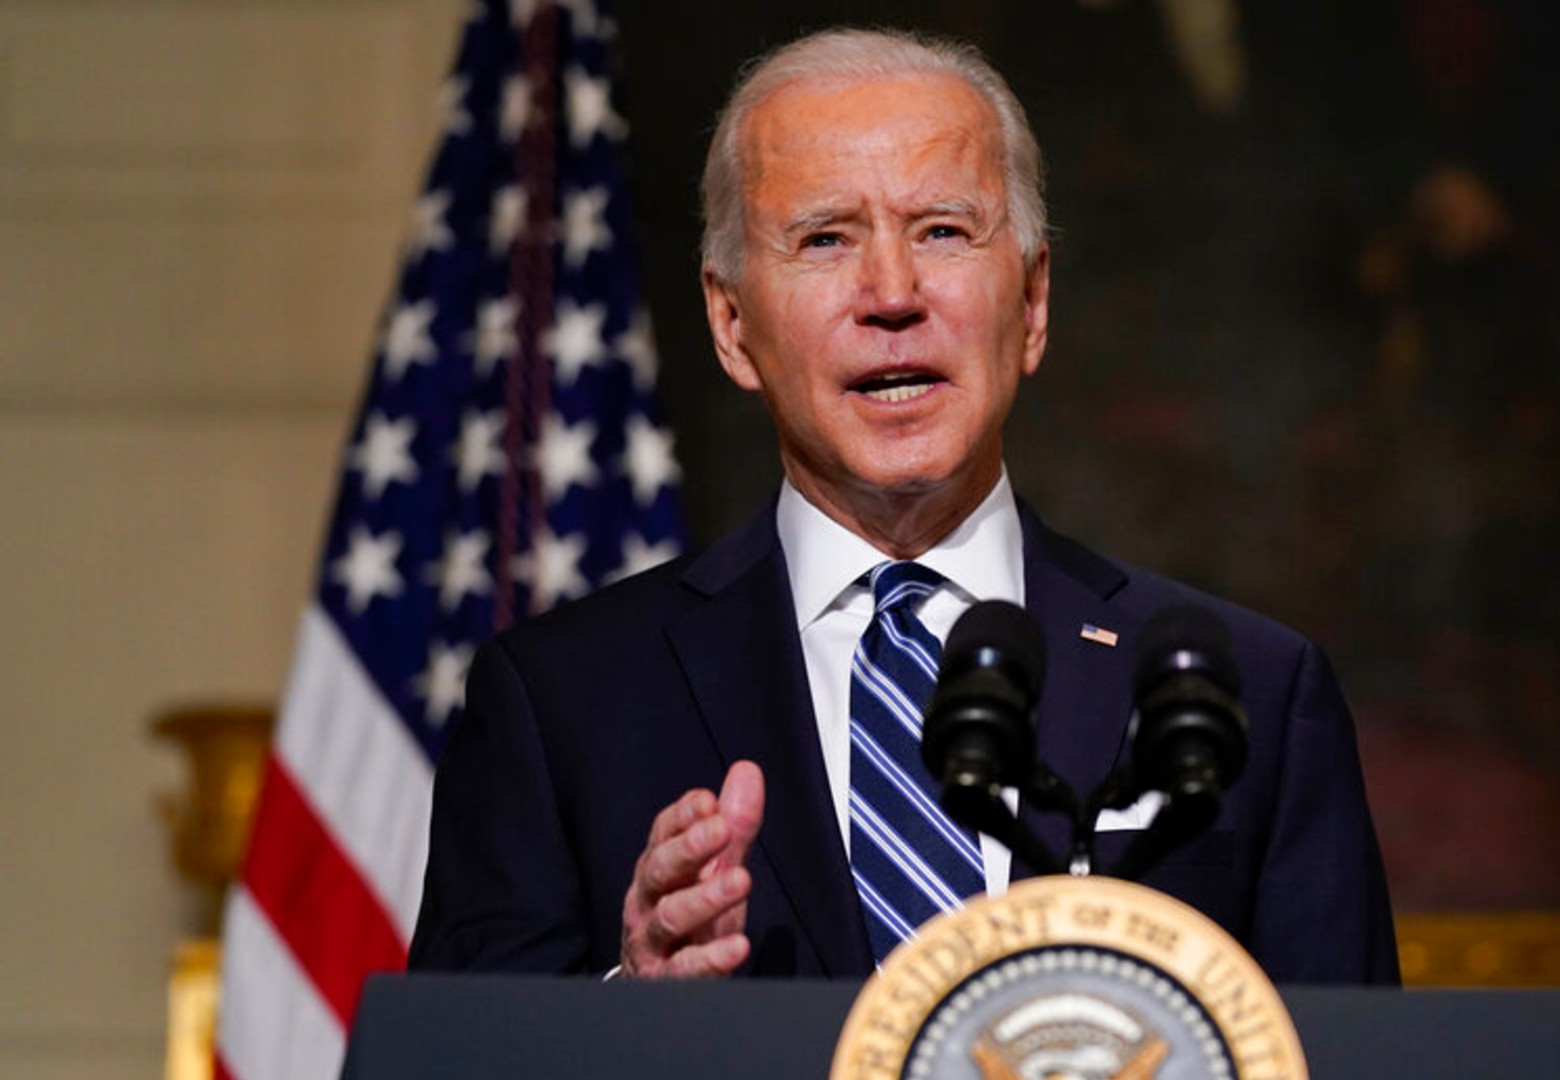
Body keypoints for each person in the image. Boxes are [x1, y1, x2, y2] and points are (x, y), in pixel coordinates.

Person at [410, 27, 1398, 985]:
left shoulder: (1254, 697)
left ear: (1034, 302)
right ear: (731, 321)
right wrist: (632, 1015)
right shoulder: (559, 705)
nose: (891, 293)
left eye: (942, 231)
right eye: (825, 238)